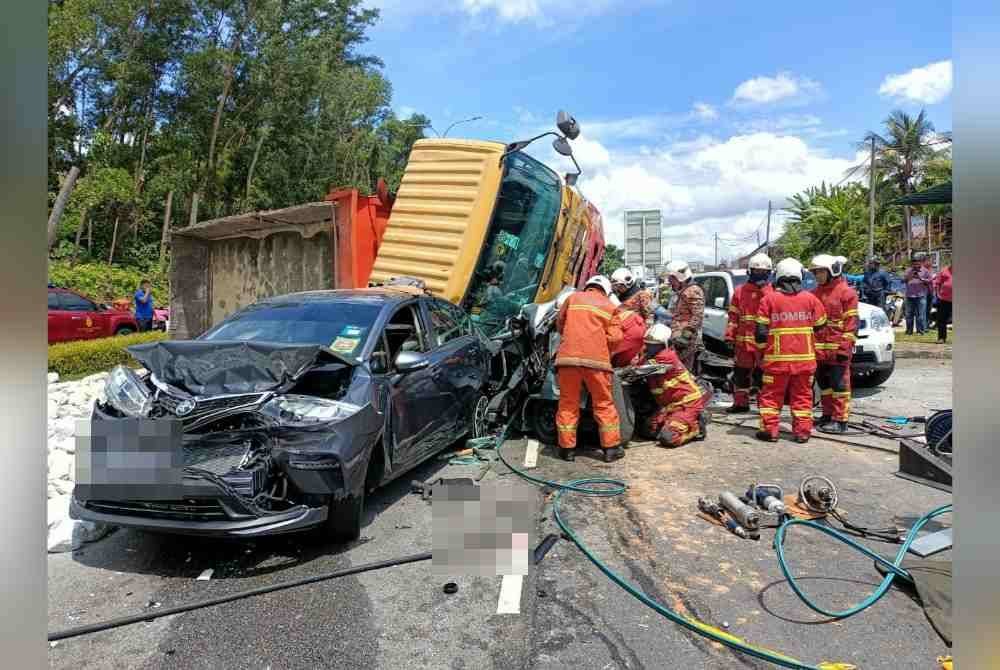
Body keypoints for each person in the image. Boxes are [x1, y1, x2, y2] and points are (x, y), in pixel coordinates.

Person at [754, 258, 827, 444]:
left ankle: (770, 431)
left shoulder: (768, 299)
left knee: (771, 397)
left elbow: (761, 334)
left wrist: (762, 355)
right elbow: (821, 327)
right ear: (799, 276)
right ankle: (802, 432)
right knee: (802, 397)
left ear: (778, 276)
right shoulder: (811, 299)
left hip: (776, 362)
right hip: (805, 362)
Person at [554, 275, 625, 463]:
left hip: (568, 360)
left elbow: (560, 324)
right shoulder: (611, 307)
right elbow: (616, 338)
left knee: (568, 403)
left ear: (588, 286)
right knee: (603, 404)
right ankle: (610, 449)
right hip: (597, 363)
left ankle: (567, 450)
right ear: (606, 290)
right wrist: (600, 346)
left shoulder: (572, 298)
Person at [810, 254, 859, 434]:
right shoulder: (814, 293)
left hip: (838, 348)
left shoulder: (847, 293)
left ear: (832, 271)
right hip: (819, 350)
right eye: (815, 272)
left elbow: (852, 323)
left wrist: (845, 347)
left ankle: (841, 420)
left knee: (839, 385)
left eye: (821, 272)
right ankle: (827, 415)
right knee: (824, 384)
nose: (817, 275)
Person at [638, 323, 708, 447]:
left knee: (668, 438)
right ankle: (676, 422)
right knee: (647, 431)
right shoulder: (650, 355)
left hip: (687, 403)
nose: (650, 347)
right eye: (648, 344)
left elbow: (640, 368)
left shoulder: (666, 356)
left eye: (654, 345)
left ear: (665, 344)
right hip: (669, 405)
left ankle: (696, 428)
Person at [724, 253, 773, 414]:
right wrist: (730, 335)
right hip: (743, 343)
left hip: (763, 344)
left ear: (769, 273)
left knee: (762, 376)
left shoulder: (772, 293)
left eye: (763, 272)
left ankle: (763, 405)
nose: (759, 274)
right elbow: (733, 316)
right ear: (749, 272)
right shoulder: (739, 292)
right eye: (756, 271)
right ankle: (740, 403)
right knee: (740, 374)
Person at [664, 260, 705, 372]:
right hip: (678, 339)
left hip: (686, 342)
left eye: (672, 278)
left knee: (684, 373)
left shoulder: (693, 290)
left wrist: (686, 335)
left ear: (679, 277)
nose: (670, 281)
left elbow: (697, 315)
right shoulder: (684, 290)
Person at [903, 253, 932, 335]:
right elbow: (903, 280)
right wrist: (909, 276)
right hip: (909, 296)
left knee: (921, 315)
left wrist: (921, 278)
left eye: (917, 262)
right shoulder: (908, 270)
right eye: (914, 262)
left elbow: (930, 280)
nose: (915, 264)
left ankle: (920, 331)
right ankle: (909, 331)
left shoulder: (925, 271)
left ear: (921, 262)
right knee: (908, 314)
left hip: (920, 296)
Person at [933, 263, 953, 344]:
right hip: (944, 299)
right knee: (941, 319)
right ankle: (941, 338)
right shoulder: (944, 271)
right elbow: (937, 283)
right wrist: (938, 294)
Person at [923, 255, 936, 328]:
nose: (930, 262)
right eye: (929, 261)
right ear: (924, 262)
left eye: (931, 261)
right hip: (924, 293)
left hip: (930, 293)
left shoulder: (931, 270)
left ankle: (927, 324)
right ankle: (924, 325)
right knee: (923, 310)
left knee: (928, 309)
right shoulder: (922, 270)